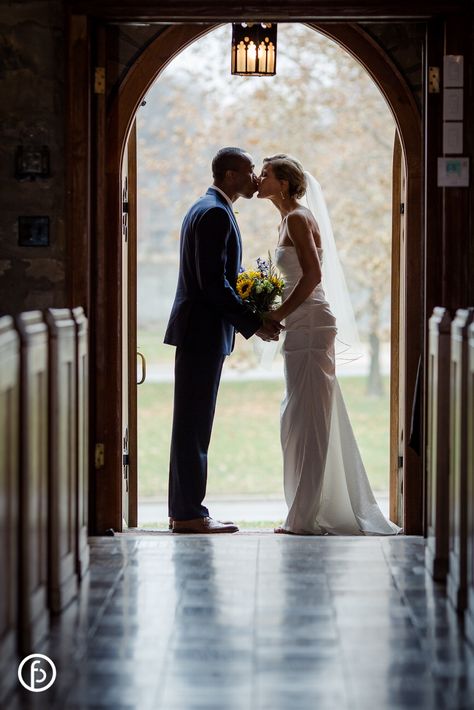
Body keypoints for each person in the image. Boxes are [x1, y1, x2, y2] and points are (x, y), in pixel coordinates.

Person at [257, 153, 400, 535]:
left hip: (310, 324)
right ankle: (308, 508)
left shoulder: (299, 218)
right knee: (301, 418)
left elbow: (313, 275)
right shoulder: (286, 219)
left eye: (266, 173)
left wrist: (277, 314)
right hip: (300, 325)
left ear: (283, 183)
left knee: (310, 421)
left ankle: (304, 517)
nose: (259, 178)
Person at [164, 147, 283, 534]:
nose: (254, 178)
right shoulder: (214, 213)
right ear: (230, 175)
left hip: (201, 331)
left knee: (193, 423)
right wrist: (254, 322)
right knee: (193, 425)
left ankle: (186, 510)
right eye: (250, 171)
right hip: (201, 331)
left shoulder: (208, 207)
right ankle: (187, 514)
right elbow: (212, 284)